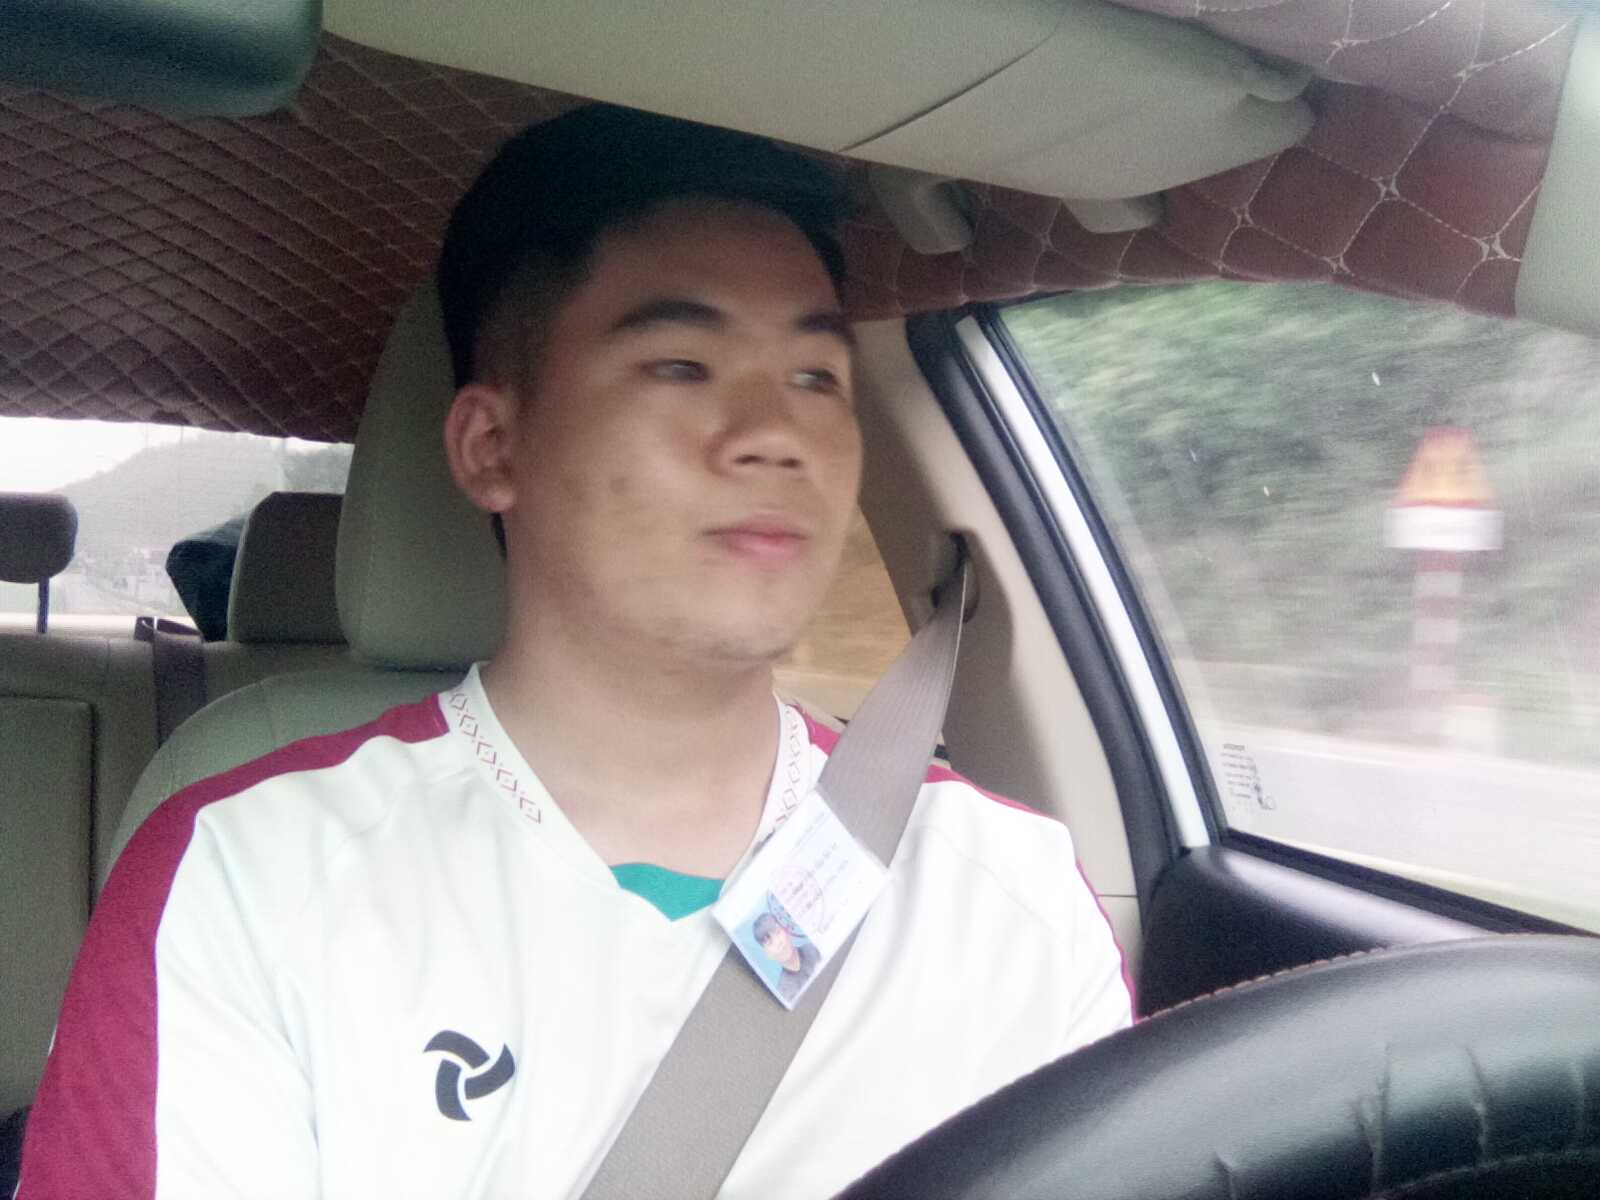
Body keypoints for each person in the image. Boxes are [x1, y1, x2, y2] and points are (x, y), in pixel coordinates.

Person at [18, 105, 1132, 1200]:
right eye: (680, 365)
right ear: (492, 446)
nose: (775, 434)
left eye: (815, 377)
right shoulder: (250, 875)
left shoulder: (1009, 897)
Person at [752, 911, 821, 1003]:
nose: (778, 943)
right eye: (769, 942)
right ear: (768, 954)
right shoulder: (784, 993)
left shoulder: (814, 949)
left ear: (787, 930)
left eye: (777, 932)